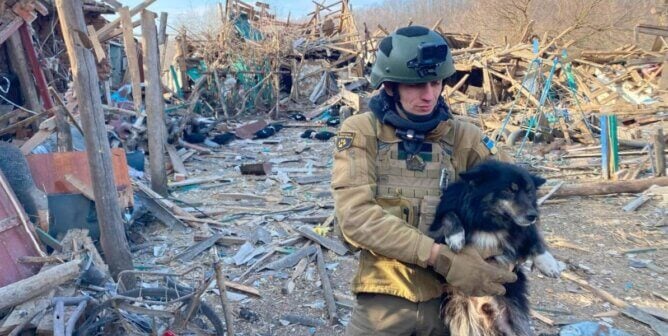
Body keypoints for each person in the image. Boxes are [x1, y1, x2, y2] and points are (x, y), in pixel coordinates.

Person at [331, 26, 518, 336]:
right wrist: (441, 258)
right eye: (416, 85)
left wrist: (497, 263)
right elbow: (356, 217)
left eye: (435, 83)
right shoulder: (362, 132)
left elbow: (515, 206)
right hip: (384, 301)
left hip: (453, 305)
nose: (428, 95)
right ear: (390, 87)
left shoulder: (465, 139)